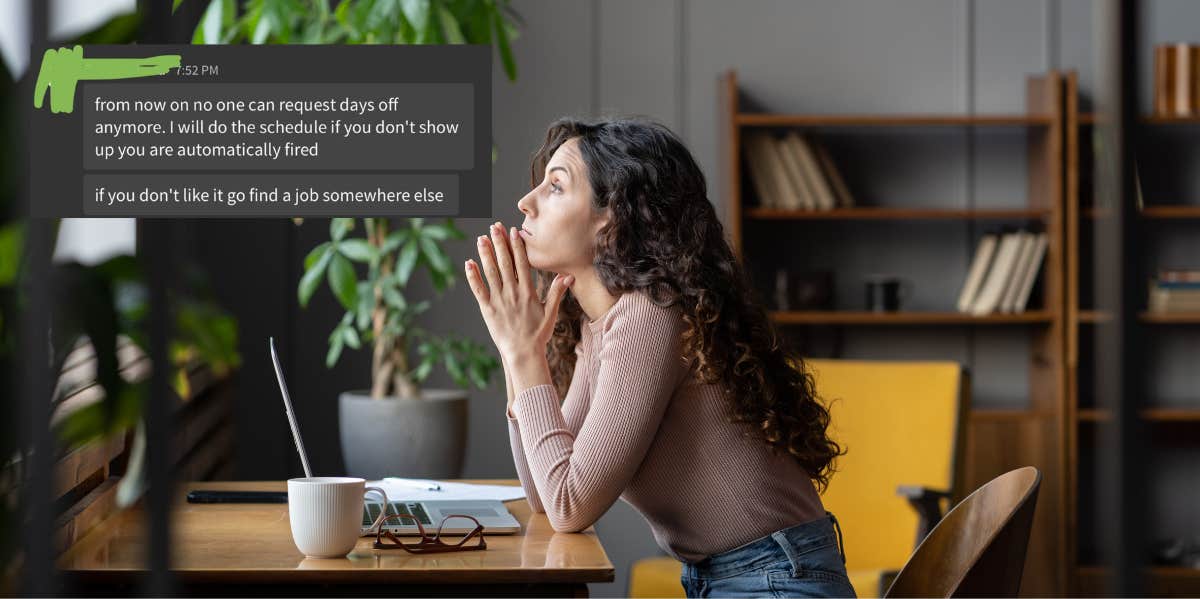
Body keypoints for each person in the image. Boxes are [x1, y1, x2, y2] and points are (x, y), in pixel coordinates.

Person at [464, 117, 855, 598]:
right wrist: (515, 351)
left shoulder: (650, 313)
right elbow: (546, 497)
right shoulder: (603, 327)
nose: (527, 202)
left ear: (612, 217)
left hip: (776, 580)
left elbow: (569, 505)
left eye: (556, 186)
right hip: (742, 577)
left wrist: (525, 355)